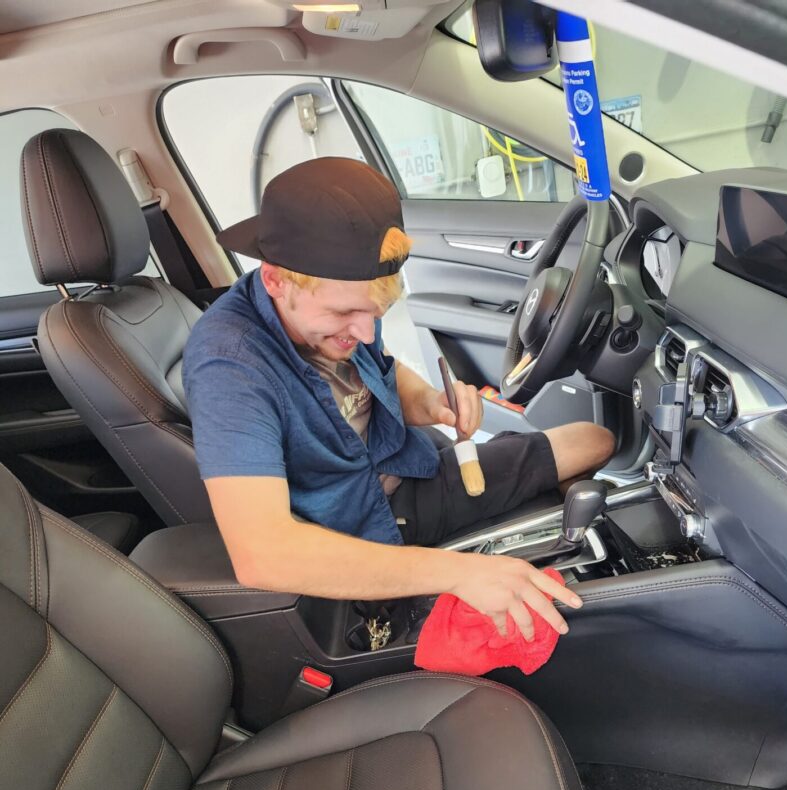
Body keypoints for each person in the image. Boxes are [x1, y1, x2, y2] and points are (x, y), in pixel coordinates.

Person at [183, 158, 615, 639]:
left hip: (408, 469)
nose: (365, 332)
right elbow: (262, 553)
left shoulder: (347, 306)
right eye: (345, 314)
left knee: (593, 440)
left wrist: (432, 403)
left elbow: (380, 372)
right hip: (357, 526)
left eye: (377, 313)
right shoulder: (229, 364)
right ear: (275, 281)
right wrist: (457, 574)